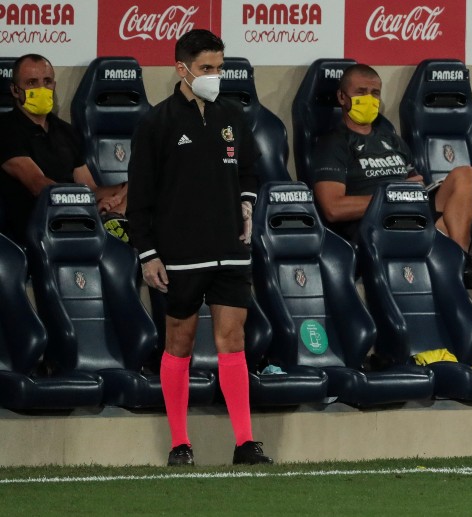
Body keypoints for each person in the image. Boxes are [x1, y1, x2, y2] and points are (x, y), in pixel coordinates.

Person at [126, 29, 272, 467]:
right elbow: (140, 197)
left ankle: (245, 443)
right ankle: (180, 444)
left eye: (219, 68)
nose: (214, 76)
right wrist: (148, 254)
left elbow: (250, 171)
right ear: (181, 69)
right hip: (180, 253)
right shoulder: (156, 123)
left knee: (233, 339)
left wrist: (246, 203)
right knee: (179, 342)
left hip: (231, 249)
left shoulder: (233, 114)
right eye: (206, 68)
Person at [310, 64, 472, 288]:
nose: (369, 99)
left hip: (413, 212)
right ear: (342, 97)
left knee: (465, 174)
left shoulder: (392, 140)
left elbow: (415, 184)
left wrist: (410, 192)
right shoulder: (333, 144)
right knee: (446, 229)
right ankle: (456, 264)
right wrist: (391, 197)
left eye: (375, 93)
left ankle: (461, 258)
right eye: (361, 92)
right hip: (377, 224)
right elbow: (333, 209)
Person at [0, 54, 128, 245]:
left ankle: (114, 220)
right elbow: (38, 185)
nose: (41, 88)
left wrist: (118, 194)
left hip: (79, 220)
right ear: (15, 90)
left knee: (139, 186)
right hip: (37, 229)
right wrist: (87, 204)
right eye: (32, 83)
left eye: (47, 81)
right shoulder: (5, 129)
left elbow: (90, 188)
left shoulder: (67, 131)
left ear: (54, 85)